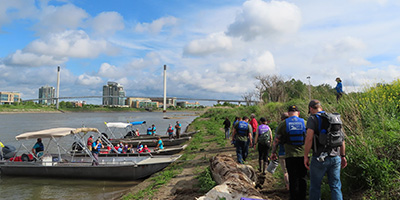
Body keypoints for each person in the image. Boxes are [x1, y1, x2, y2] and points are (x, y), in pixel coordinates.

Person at [304, 100, 347, 200]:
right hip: (335, 157)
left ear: (311, 109)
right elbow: (342, 139)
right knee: (336, 186)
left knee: (315, 187)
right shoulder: (334, 118)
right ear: (321, 108)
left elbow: (309, 138)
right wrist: (343, 156)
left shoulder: (313, 118)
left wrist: (306, 156)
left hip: (319, 158)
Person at [271, 105, 307, 200]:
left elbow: (276, 140)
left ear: (289, 113)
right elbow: (310, 138)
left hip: (290, 156)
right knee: (302, 178)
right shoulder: (305, 123)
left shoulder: (284, 124)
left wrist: (273, 152)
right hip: (303, 156)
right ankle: (302, 197)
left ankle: (293, 197)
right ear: (298, 113)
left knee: (293, 178)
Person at [277, 112, 290, 190]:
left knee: (285, 172)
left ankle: (288, 187)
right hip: (294, 153)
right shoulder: (297, 124)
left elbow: (276, 140)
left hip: (282, 152)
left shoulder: (280, 127)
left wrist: (273, 152)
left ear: (282, 119)